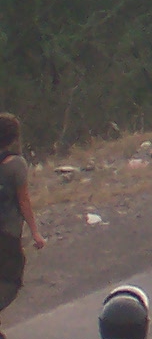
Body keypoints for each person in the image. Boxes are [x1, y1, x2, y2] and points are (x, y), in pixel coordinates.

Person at [0, 112, 46, 331]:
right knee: (11, 280)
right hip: (7, 233)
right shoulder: (15, 165)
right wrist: (35, 232)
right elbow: (24, 201)